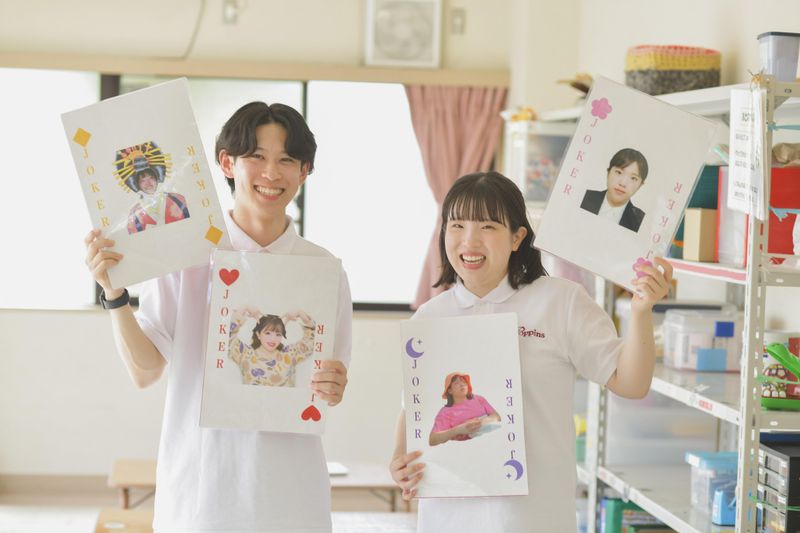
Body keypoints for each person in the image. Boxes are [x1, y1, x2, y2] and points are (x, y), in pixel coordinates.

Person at [84, 101, 352, 533]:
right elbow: (145, 370)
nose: (271, 173)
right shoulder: (186, 252)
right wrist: (114, 294)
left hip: (293, 496)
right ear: (228, 163)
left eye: (287, 160)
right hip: (202, 493)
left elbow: (326, 384)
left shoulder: (323, 270)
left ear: (305, 171)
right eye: (256, 156)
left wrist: (334, 384)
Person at [389, 171, 672, 532]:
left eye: (487, 226)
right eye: (457, 225)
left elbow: (631, 383)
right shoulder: (430, 317)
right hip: (449, 519)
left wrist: (641, 311)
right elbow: (413, 411)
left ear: (517, 237)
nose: (469, 240)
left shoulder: (560, 302)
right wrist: (400, 462)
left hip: (535, 518)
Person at [228, 307, 315, 386]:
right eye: (267, 333)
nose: (273, 339)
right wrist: (245, 308)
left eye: (278, 334)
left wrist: (300, 313)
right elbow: (227, 336)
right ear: (258, 334)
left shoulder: (290, 354)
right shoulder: (244, 353)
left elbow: (312, 339)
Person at [580, 148, 649, 232]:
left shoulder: (640, 221)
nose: (623, 183)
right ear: (608, 173)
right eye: (619, 172)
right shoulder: (583, 197)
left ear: (640, 186)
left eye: (633, 178)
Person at [429, 372, 500, 446]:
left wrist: (479, 422)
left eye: (464, 382)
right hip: (466, 448)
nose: (462, 384)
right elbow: (432, 440)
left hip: (492, 441)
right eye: (456, 383)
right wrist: (457, 430)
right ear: (450, 391)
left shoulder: (479, 399)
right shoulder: (445, 412)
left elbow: (497, 416)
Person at [125, 161, 190, 234]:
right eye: (142, 181)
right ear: (138, 185)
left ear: (157, 179)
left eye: (151, 178)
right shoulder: (134, 213)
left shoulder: (178, 199)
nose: (148, 183)